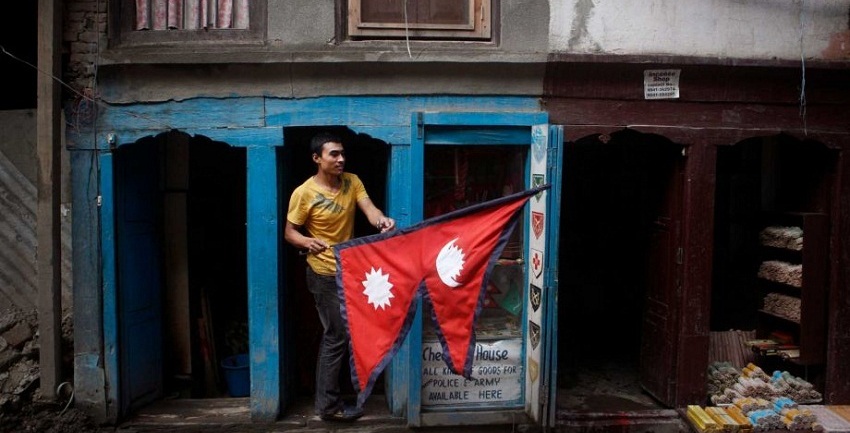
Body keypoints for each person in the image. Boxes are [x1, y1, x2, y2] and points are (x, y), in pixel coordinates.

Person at [284, 131, 395, 422]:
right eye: (334, 154)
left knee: (351, 332)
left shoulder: (352, 182)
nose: (341, 159)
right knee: (336, 336)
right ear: (317, 158)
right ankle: (328, 406)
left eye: (343, 153)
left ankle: (337, 397)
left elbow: (369, 209)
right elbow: (290, 232)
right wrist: (307, 241)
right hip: (322, 273)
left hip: (350, 270)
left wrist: (381, 221)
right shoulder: (304, 193)